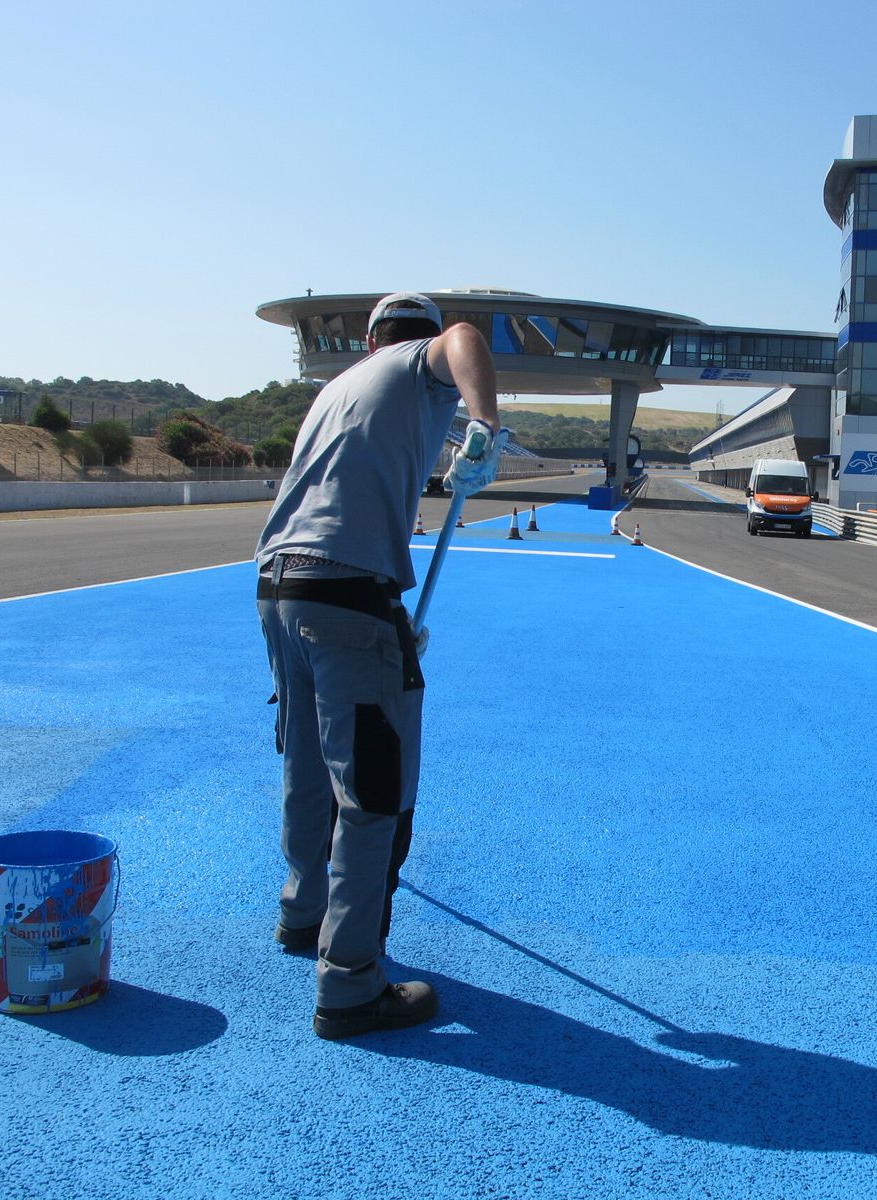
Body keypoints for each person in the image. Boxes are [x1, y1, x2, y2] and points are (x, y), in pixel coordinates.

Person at [255, 292, 503, 1039]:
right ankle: (351, 983)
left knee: (305, 764)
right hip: (346, 596)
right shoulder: (415, 367)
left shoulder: (338, 388)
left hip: (279, 590)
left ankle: (303, 916)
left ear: (367, 338)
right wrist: (484, 424)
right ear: (410, 346)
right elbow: (465, 336)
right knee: (372, 792)